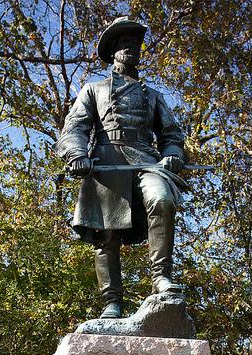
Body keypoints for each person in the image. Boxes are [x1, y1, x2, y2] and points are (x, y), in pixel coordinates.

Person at [55, 16, 186, 318]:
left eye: (135, 44)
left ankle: (161, 279)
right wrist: (76, 154)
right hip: (106, 159)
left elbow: (172, 135)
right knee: (106, 234)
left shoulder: (154, 96)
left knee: (162, 200)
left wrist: (173, 153)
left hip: (146, 158)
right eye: (125, 43)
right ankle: (111, 302)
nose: (131, 48)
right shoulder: (94, 89)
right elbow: (74, 128)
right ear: (113, 49)